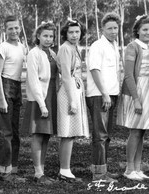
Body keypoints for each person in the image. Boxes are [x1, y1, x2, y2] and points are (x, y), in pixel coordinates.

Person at [116, 15, 149, 181]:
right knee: (135, 131)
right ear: (137, 31)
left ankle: (138, 168)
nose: (148, 32)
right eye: (144, 29)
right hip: (136, 91)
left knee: (142, 131)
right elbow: (128, 75)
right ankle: (129, 168)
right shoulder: (133, 47)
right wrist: (136, 98)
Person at [86, 12, 121, 182]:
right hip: (100, 95)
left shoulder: (114, 45)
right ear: (103, 29)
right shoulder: (97, 46)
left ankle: (101, 168)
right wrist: (105, 94)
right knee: (100, 135)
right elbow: (94, 70)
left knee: (106, 135)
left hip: (112, 94)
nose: (113, 31)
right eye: (110, 28)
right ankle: (99, 175)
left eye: (116, 28)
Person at [56, 19, 89, 183]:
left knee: (70, 134)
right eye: (71, 32)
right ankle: (64, 170)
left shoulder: (74, 48)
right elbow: (66, 76)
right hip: (68, 92)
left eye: (77, 32)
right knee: (67, 133)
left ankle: (65, 169)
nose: (75, 35)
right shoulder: (65, 48)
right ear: (65, 34)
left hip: (75, 89)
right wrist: (72, 100)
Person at [0, 15, 27, 182]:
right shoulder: (3, 47)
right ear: (5, 30)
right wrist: (1, 98)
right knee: (4, 131)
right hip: (5, 87)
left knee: (15, 131)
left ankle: (13, 169)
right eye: (10, 28)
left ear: (19, 28)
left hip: (17, 87)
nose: (14, 31)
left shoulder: (22, 47)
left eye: (16, 27)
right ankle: (3, 171)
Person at [25, 22, 58, 185]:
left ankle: (42, 171)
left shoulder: (52, 53)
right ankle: (37, 172)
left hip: (51, 96)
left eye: (51, 36)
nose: (48, 39)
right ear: (38, 36)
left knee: (46, 135)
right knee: (38, 134)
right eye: (45, 35)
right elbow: (33, 80)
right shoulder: (34, 53)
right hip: (40, 98)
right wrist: (42, 103)